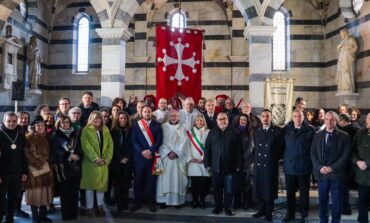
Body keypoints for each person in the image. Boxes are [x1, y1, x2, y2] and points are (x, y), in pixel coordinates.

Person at [311, 111, 351, 223]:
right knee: (322, 201)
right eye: (327, 119)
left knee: (337, 202)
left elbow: (345, 156)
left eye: (332, 119)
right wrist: (320, 167)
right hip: (322, 174)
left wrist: (331, 168)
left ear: (336, 121)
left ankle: (335, 221)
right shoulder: (317, 135)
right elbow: (313, 153)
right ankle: (323, 220)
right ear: (324, 120)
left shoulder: (344, 136)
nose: (329, 122)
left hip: (336, 174)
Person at [204, 112, 242, 216]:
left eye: (224, 119)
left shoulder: (235, 132)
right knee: (217, 189)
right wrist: (207, 163)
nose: (222, 121)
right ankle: (218, 207)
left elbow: (239, 150)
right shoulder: (212, 132)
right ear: (216, 121)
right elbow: (207, 149)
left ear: (228, 120)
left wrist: (239, 165)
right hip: (216, 166)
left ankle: (228, 208)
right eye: (220, 119)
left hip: (230, 166)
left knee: (229, 189)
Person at [282, 109, 315, 223]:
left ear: (303, 117)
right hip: (290, 166)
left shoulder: (310, 130)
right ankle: (290, 214)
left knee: (304, 193)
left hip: (304, 167)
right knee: (290, 193)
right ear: (292, 117)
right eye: (295, 116)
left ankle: (304, 214)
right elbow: (282, 146)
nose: (297, 118)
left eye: (299, 116)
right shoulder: (286, 129)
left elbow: (313, 149)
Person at [80, 111, 113, 217]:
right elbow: (86, 146)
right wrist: (95, 158)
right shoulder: (86, 130)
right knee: (90, 186)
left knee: (101, 186)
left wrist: (106, 159)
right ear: (91, 119)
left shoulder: (106, 129)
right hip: (90, 162)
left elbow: (110, 146)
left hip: (103, 162)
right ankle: (90, 208)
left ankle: (99, 206)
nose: (98, 120)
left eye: (99, 118)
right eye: (95, 119)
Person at [131, 106, 163, 212]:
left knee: (151, 181)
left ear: (151, 113)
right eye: (145, 111)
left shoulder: (157, 125)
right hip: (139, 158)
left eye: (149, 111)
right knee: (138, 181)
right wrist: (142, 152)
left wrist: (150, 151)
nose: (147, 113)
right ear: (141, 113)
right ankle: (137, 202)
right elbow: (134, 141)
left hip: (152, 158)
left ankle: (150, 202)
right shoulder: (136, 125)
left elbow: (159, 141)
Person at [252, 109, 283, 222]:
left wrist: (274, 158)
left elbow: (280, 148)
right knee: (259, 188)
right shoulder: (257, 130)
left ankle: (269, 212)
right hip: (259, 164)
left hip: (270, 164)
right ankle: (261, 210)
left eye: (267, 116)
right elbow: (255, 146)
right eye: (263, 116)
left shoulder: (277, 131)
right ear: (261, 117)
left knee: (269, 189)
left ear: (271, 118)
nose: (265, 118)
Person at [51, 116, 81, 220]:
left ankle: (74, 214)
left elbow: (79, 147)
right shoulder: (56, 135)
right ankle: (66, 215)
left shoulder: (75, 133)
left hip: (76, 167)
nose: (65, 124)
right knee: (65, 193)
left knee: (75, 193)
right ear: (59, 124)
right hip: (63, 168)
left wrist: (78, 155)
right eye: (63, 122)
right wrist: (68, 156)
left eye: (67, 122)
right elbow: (56, 149)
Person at [24, 116, 54, 223]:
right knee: (34, 194)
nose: (40, 127)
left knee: (45, 193)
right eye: (38, 125)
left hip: (46, 169)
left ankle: (43, 215)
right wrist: (37, 163)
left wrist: (46, 162)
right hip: (33, 170)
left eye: (42, 125)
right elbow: (26, 153)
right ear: (33, 127)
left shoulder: (47, 137)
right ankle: (35, 217)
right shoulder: (28, 137)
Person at [0, 112, 28, 223]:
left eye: (14, 121)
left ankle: (10, 219)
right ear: (3, 121)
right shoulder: (0, 134)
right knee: (1, 200)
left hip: (17, 173)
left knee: (13, 199)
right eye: (9, 121)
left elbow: (23, 154)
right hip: (3, 173)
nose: (11, 123)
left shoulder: (21, 135)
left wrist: (24, 171)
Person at [156, 110, 188, 208]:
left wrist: (176, 153)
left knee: (177, 180)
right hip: (166, 158)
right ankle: (164, 201)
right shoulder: (163, 127)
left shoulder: (183, 128)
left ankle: (177, 201)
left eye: (176, 116)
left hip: (178, 159)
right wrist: (168, 152)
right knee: (164, 179)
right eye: (172, 116)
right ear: (169, 117)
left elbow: (185, 142)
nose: (174, 117)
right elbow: (160, 141)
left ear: (179, 117)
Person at [336, 113, 359, 215]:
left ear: (342, 121)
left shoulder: (341, 132)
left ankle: (344, 208)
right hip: (353, 163)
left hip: (343, 163)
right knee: (346, 186)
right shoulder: (357, 130)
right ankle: (346, 208)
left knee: (342, 187)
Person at [109, 111, 132, 211]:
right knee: (118, 183)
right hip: (117, 161)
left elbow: (132, 145)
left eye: (125, 118)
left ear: (127, 120)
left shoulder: (131, 130)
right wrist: (121, 158)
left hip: (128, 160)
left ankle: (125, 202)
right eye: (121, 118)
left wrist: (127, 157)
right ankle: (119, 203)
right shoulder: (113, 131)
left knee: (126, 183)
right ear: (117, 119)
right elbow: (113, 147)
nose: (123, 120)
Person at [186, 115, 211, 209]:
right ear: (195, 122)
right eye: (197, 121)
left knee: (204, 183)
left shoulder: (208, 132)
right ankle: (195, 200)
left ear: (204, 122)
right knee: (194, 183)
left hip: (203, 161)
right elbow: (186, 146)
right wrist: (190, 158)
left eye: (201, 121)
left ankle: (202, 200)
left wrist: (203, 158)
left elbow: (209, 147)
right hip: (193, 161)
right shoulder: (189, 132)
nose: (199, 122)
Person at [232, 114, 254, 210]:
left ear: (247, 121)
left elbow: (251, 148)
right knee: (236, 183)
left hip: (247, 162)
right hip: (235, 162)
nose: (242, 121)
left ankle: (246, 203)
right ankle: (237, 203)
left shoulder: (251, 132)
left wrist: (244, 159)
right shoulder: (233, 131)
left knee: (246, 184)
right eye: (241, 119)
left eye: (244, 119)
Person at [352, 113, 370, 223]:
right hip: (362, 176)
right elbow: (352, 150)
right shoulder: (360, 133)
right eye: (369, 118)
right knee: (362, 202)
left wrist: (367, 163)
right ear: (366, 120)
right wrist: (357, 161)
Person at [336, 28, 358, 92]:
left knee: (347, 72)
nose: (341, 35)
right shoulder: (342, 41)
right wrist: (339, 48)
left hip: (347, 59)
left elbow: (355, 47)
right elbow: (339, 50)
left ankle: (349, 88)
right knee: (342, 73)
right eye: (340, 34)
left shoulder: (351, 39)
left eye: (341, 33)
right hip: (342, 60)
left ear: (345, 33)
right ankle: (343, 88)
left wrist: (348, 51)